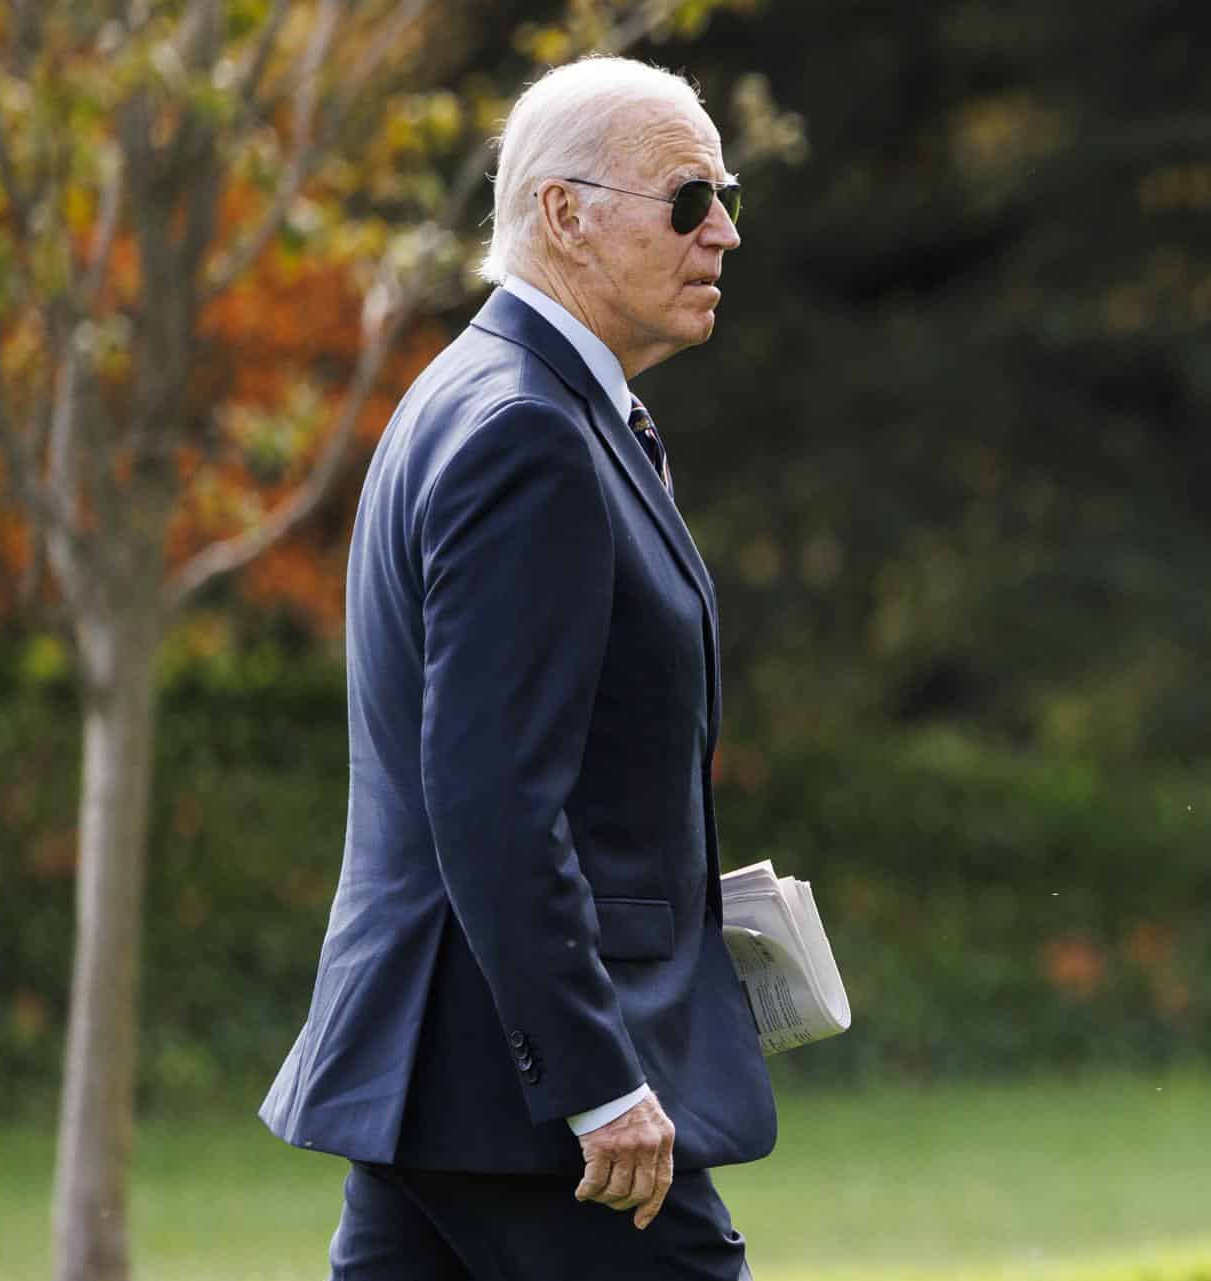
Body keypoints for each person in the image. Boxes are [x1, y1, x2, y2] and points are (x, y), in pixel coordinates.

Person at [258, 55, 774, 1280]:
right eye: (690, 199)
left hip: (446, 1080)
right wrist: (595, 1085)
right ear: (563, 214)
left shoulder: (480, 395)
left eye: (729, 194)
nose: (726, 232)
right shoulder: (527, 432)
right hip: (525, 1100)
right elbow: (491, 797)